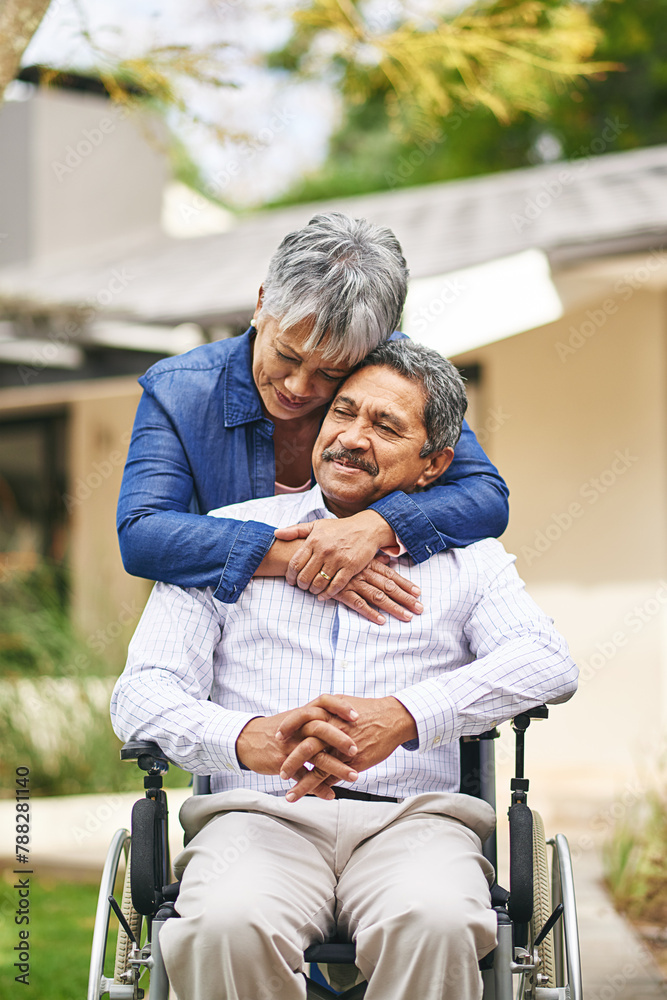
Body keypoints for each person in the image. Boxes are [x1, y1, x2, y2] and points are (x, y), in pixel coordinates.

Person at [111, 340, 577, 1000]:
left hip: (413, 821)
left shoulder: (467, 560)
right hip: (257, 818)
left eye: (385, 427)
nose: (352, 438)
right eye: (343, 413)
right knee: (222, 925)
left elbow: (546, 661)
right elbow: (140, 693)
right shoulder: (229, 538)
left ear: (433, 464)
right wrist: (251, 738)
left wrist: (407, 716)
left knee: (437, 921)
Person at [116, 212, 509, 627]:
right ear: (261, 302)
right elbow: (143, 535)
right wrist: (299, 556)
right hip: (239, 642)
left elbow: (485, 497)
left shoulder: (389, 373)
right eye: (286, 355)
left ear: (374, 348)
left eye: (332, 373)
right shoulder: (180, 391)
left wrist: (376, 527)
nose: (299, 387)